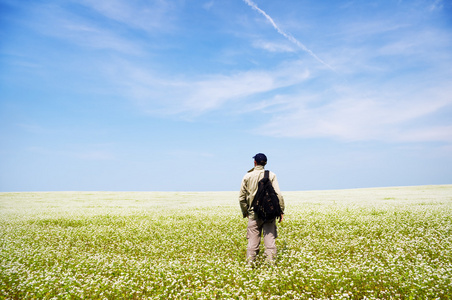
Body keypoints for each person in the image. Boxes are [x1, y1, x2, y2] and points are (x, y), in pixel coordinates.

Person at [239, 153, 285, 264]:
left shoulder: (247, 176)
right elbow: (278, 195)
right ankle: (271, 266)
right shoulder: (271, 175)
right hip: (269, 214)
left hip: (253, 214)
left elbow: (241, 197)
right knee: (270, 242)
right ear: (265, 163)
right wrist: (280, 211)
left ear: (255, 162)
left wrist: (245, 211)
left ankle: (250, 265)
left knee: (252, 243)